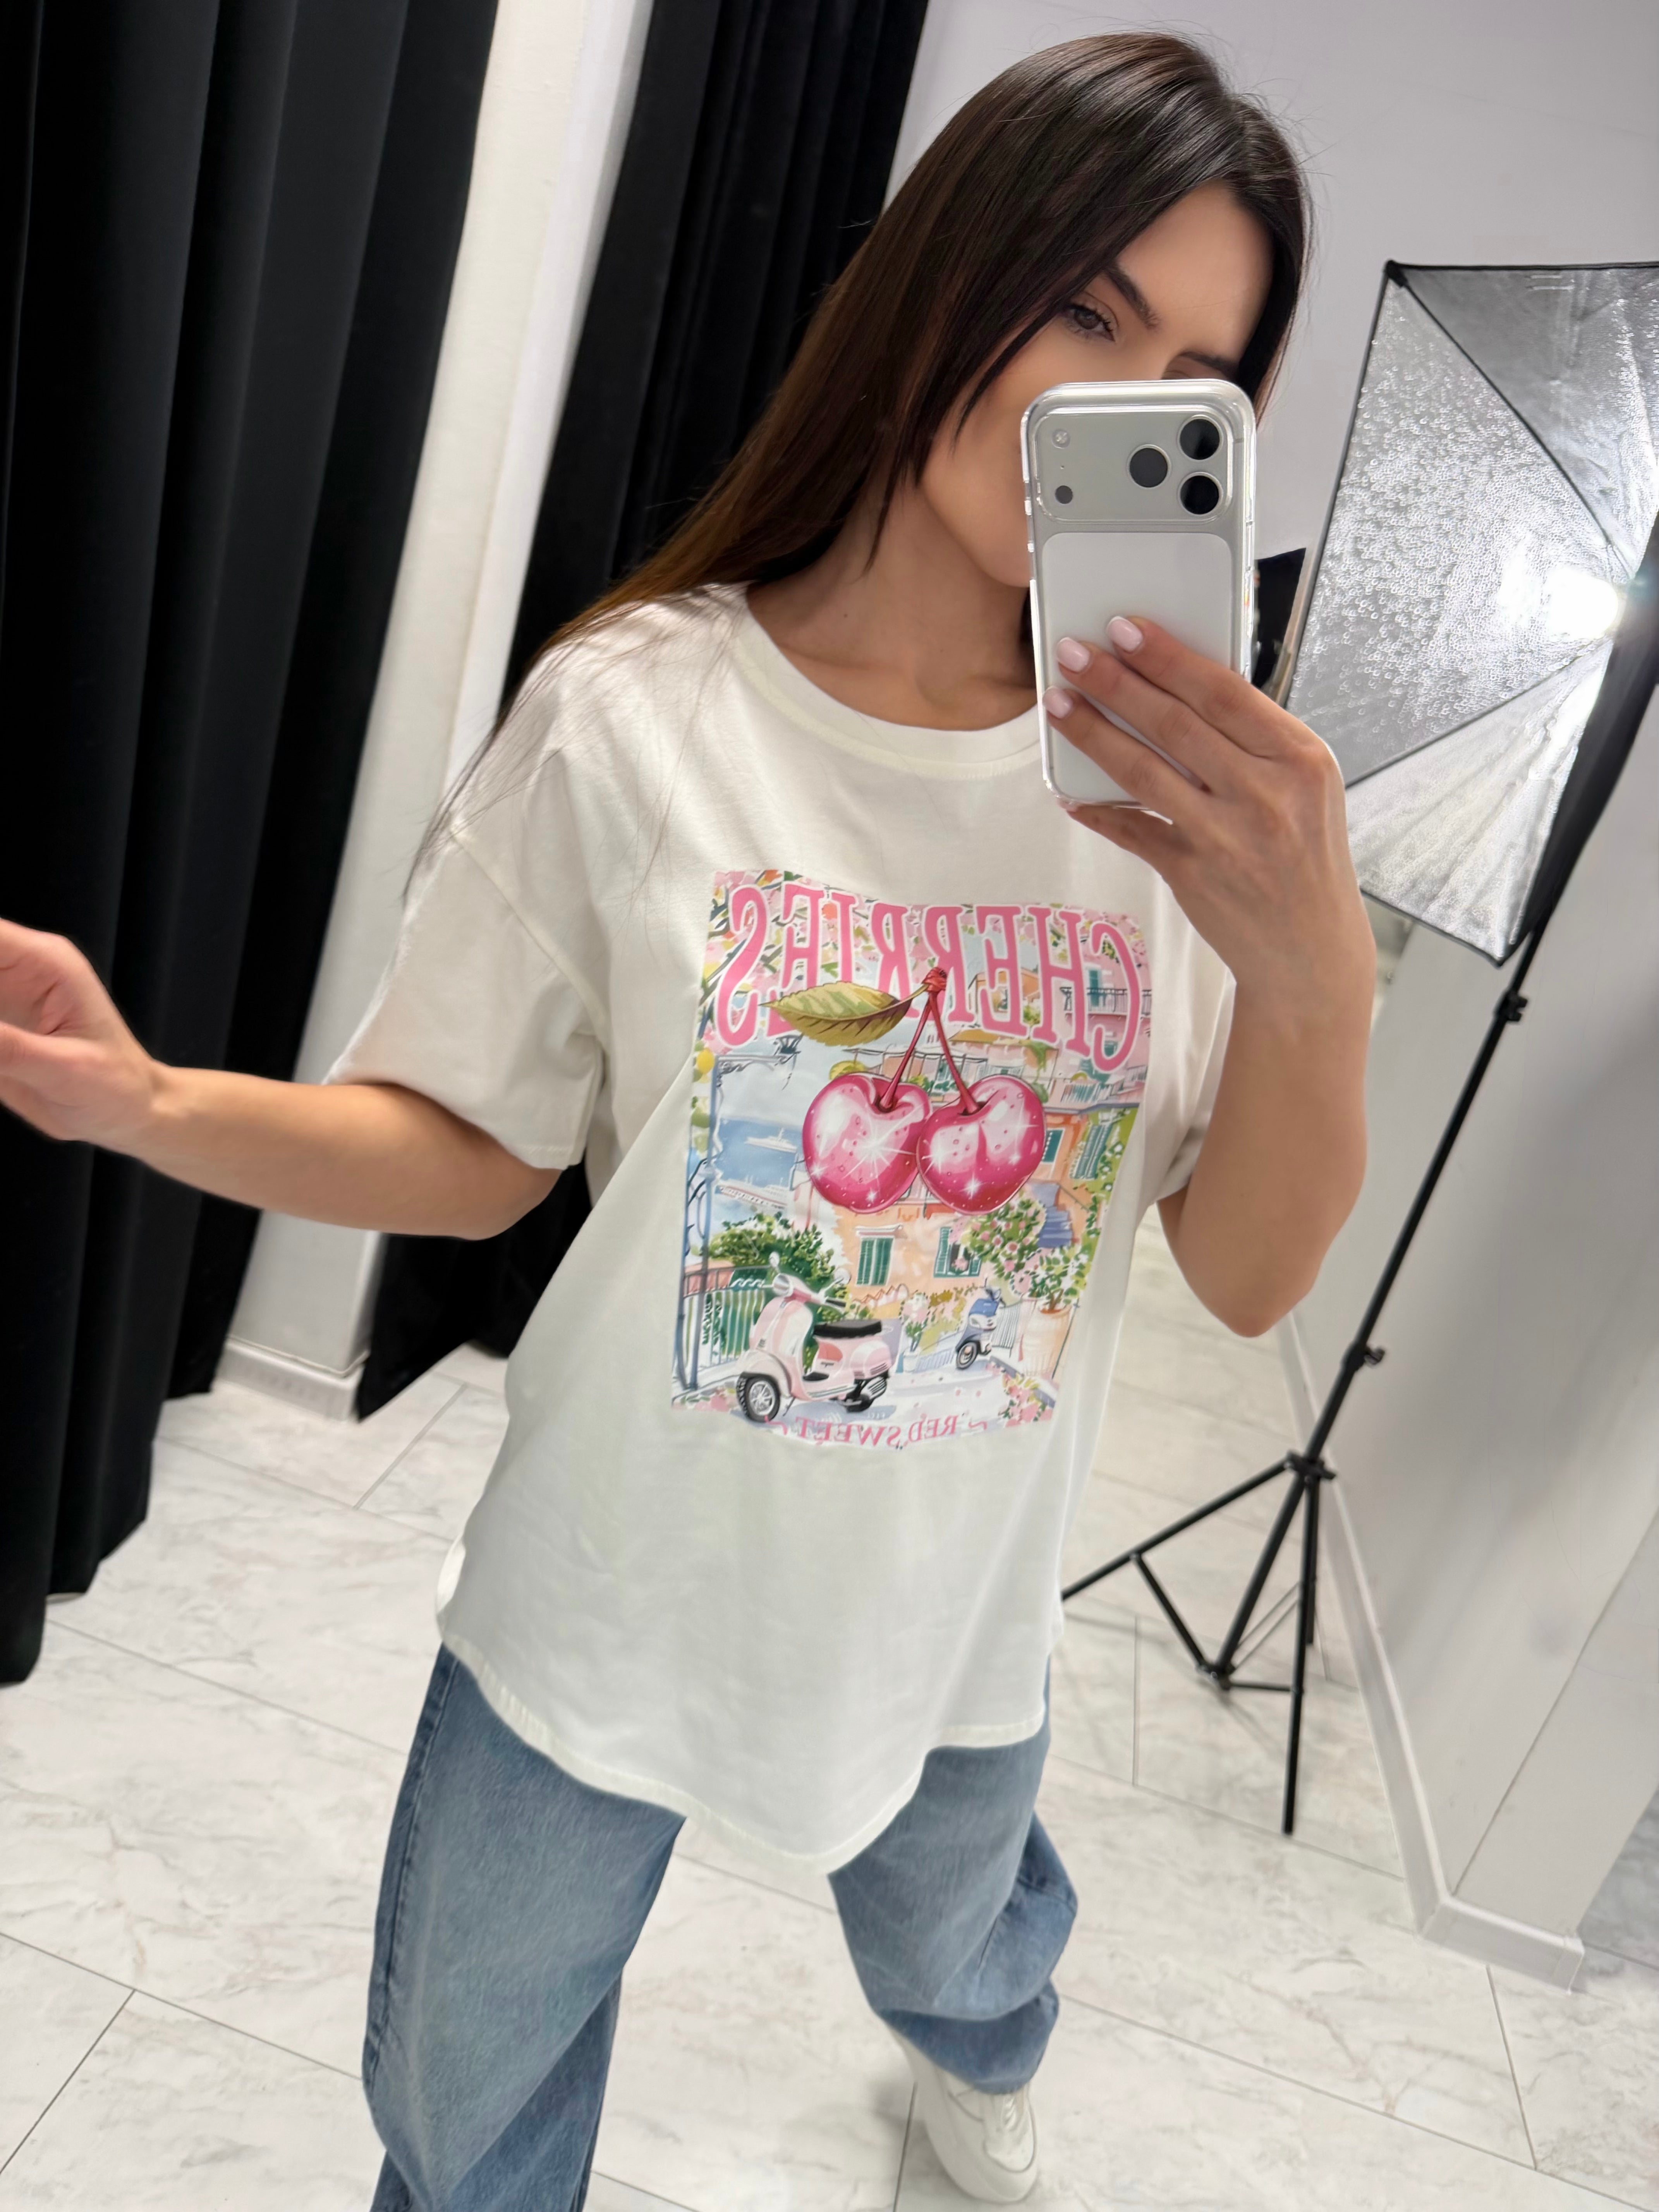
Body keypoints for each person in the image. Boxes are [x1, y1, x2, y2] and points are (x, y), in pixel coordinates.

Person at [0, 33, 1374, 2210]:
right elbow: (476, 1150)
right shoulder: (640, 713)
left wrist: (1317, 975)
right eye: (1083, 310)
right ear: (941, 274)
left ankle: (982, 2059)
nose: (1108, 407)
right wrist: (151, 1101)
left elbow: (1249, 1268)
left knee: (959, 1953)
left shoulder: (1177, 812)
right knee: (463, 2101)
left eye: (1191, 378)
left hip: (947, 1609)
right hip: (610, 1589)